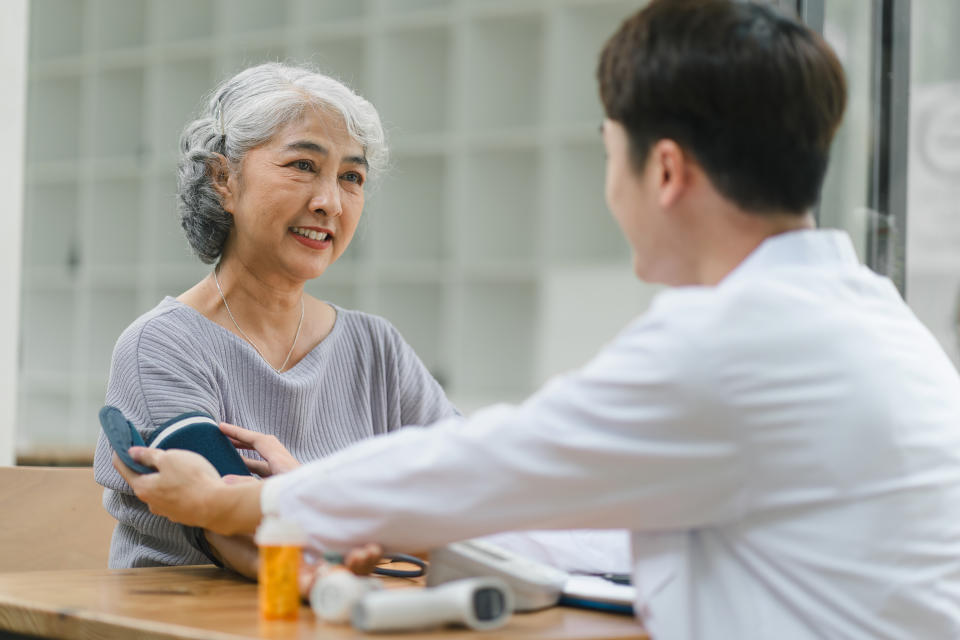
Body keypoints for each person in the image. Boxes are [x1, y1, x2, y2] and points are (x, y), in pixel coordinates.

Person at [116, 1, 960, 637]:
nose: (331, 201)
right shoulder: (878, 325)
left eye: (607, 155)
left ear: (662, 170)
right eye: (303, 166)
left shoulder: (729, 347)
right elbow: (525, 504)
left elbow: (481, 472)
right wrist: (333, 508)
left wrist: (250, 504)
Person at [93, 63, 458, 572]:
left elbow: (465, 492)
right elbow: (233, 533)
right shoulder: (163, 345)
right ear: (222, 179)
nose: (329, 201)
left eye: (351, 177)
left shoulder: (377, 348)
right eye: (303, 165)